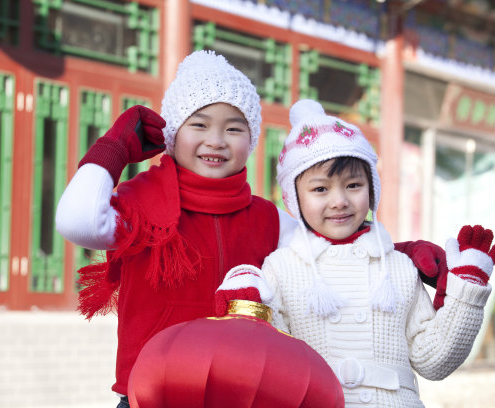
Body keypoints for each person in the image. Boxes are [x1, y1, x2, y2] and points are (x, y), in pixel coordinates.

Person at [55, 51, 448, 406]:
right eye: (199, 124)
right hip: (153, 392)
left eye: (233, 128)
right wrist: (114, 147)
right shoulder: (138, 205)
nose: (216, 140)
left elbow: (333, 251)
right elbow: (77, 221)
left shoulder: (270, 218)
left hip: (239, 394)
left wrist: (400, 252)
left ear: (251, 139)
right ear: (173, 135)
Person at [217, 99, 495, 407]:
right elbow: (273, 361)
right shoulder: (281, 268)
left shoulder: (398, 266)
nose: (339, 201)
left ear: (372, 189)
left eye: (353, 185)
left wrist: (466, 293)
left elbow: (434, 362)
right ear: (294, 198)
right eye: (320, 190)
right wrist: (246, 307)